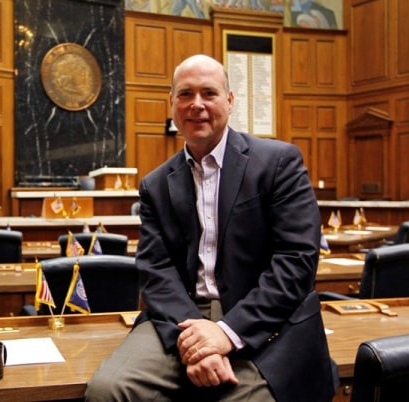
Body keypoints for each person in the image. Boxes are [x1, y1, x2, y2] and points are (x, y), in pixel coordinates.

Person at [84, 54, 337, 402]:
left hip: (265, 315)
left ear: (230, 101)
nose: (196, 105)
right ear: (172, 103)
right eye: (185, 94)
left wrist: (227, 333)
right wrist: (196, 342)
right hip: (181, 316)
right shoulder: (155, 184)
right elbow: (156, 270)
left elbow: (296, 263)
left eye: (209, 93)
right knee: (107, 391)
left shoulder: (279, 163)